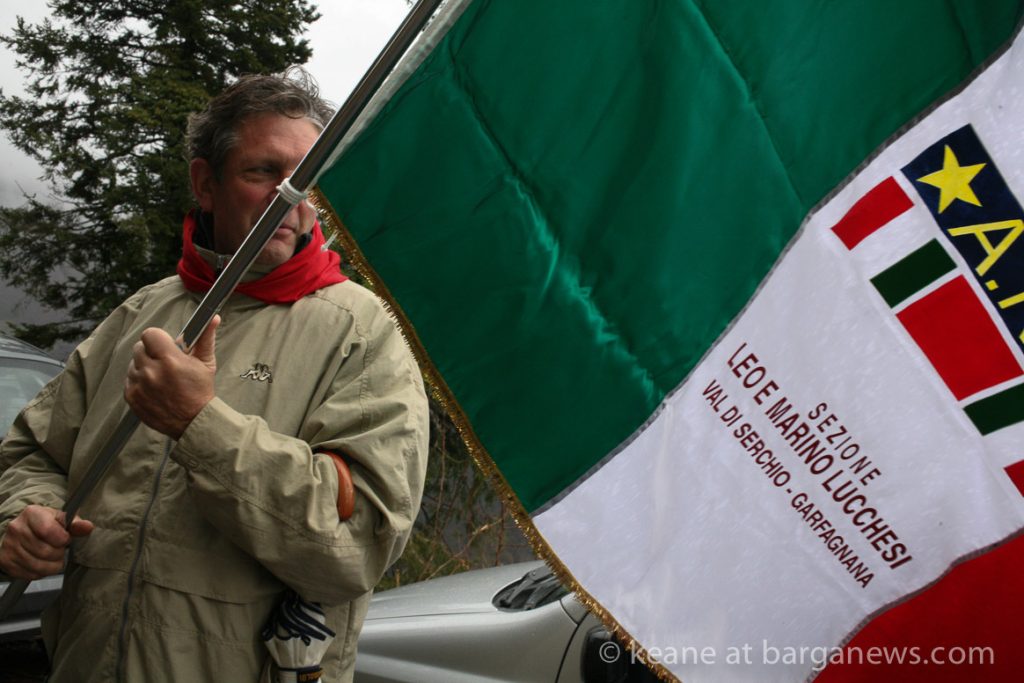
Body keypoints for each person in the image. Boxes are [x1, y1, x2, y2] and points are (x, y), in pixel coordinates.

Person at [0, 68, 429, 682]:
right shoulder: (142, 313)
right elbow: (34, 452)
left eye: (305, 178)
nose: (289, 197)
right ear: (206, 183)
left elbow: (356, 549)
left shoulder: (361, 332)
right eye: (263, 172)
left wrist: (200, 425)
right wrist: (26, 514)